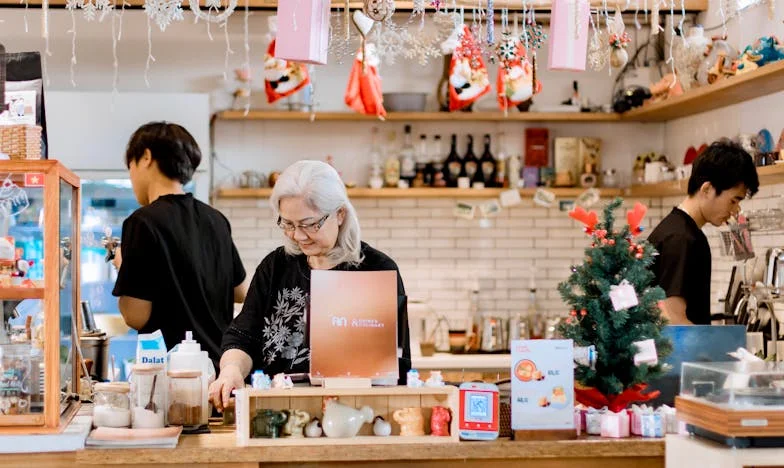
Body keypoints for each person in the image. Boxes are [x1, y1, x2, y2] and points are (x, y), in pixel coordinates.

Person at [209, 160, 411, 411]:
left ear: (340, 214)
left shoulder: (377, 269)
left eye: (308, 224)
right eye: (289, 224)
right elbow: (242, 336)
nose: (298, 236)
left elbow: (396, 365)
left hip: (355, 416)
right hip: (278, 416)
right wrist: (230, 370)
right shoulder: (276, 266)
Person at [112, 122, 248, 368]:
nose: (131, 177)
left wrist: (124, 267)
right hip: (222, 373)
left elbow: (135, 316)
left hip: (175, 377)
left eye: (130, 166)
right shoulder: (215, 219)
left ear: (146, 157)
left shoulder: (142, 221)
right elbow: (240, 292)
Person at [648, 140, 759, 325]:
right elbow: (673, 318)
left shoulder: (677, 229)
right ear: (707, 189)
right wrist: (710, 352)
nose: (736, 210)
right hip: (681, 354)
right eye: (733, 201)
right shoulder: (682, 238)